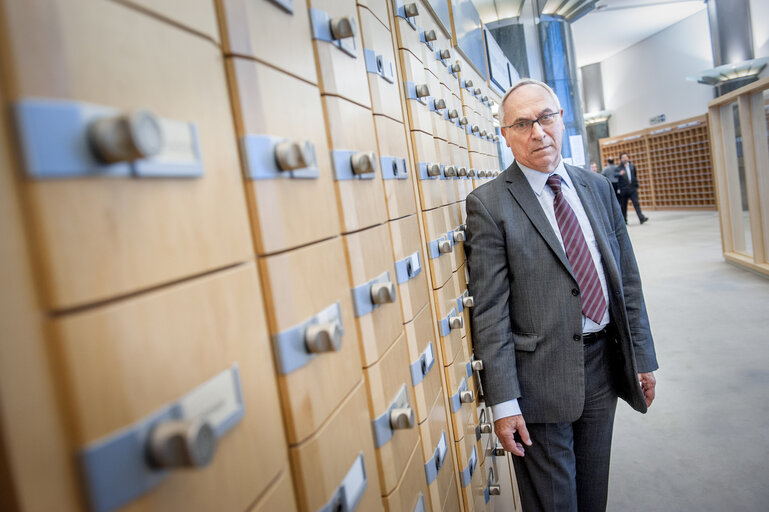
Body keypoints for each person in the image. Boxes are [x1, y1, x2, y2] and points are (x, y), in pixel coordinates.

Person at [464, 78, 658, 512]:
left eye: (546, 117)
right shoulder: (490, 205)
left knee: (593, 498)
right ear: (505, 136)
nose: (538, 132)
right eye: (522, 123)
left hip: (602, 368)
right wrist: (503, 402)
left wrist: (641, 356)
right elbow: (490, 312)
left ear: (561, 118)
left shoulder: (597, 188)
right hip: (538, 382)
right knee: (555, 504)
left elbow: (626, 279)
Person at [616, 152, 649, 224]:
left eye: (626, 157)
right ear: (621, 159)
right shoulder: (618, 168)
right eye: (623, 157)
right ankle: (624, 220)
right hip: (624, 189)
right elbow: (615, 176)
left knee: (636, 203)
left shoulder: (632, 166)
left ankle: (641, 218)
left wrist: (636, 185)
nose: (625, 159)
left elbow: (635, 175)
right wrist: (619, 174)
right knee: (624, 206)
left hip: (632, 188)